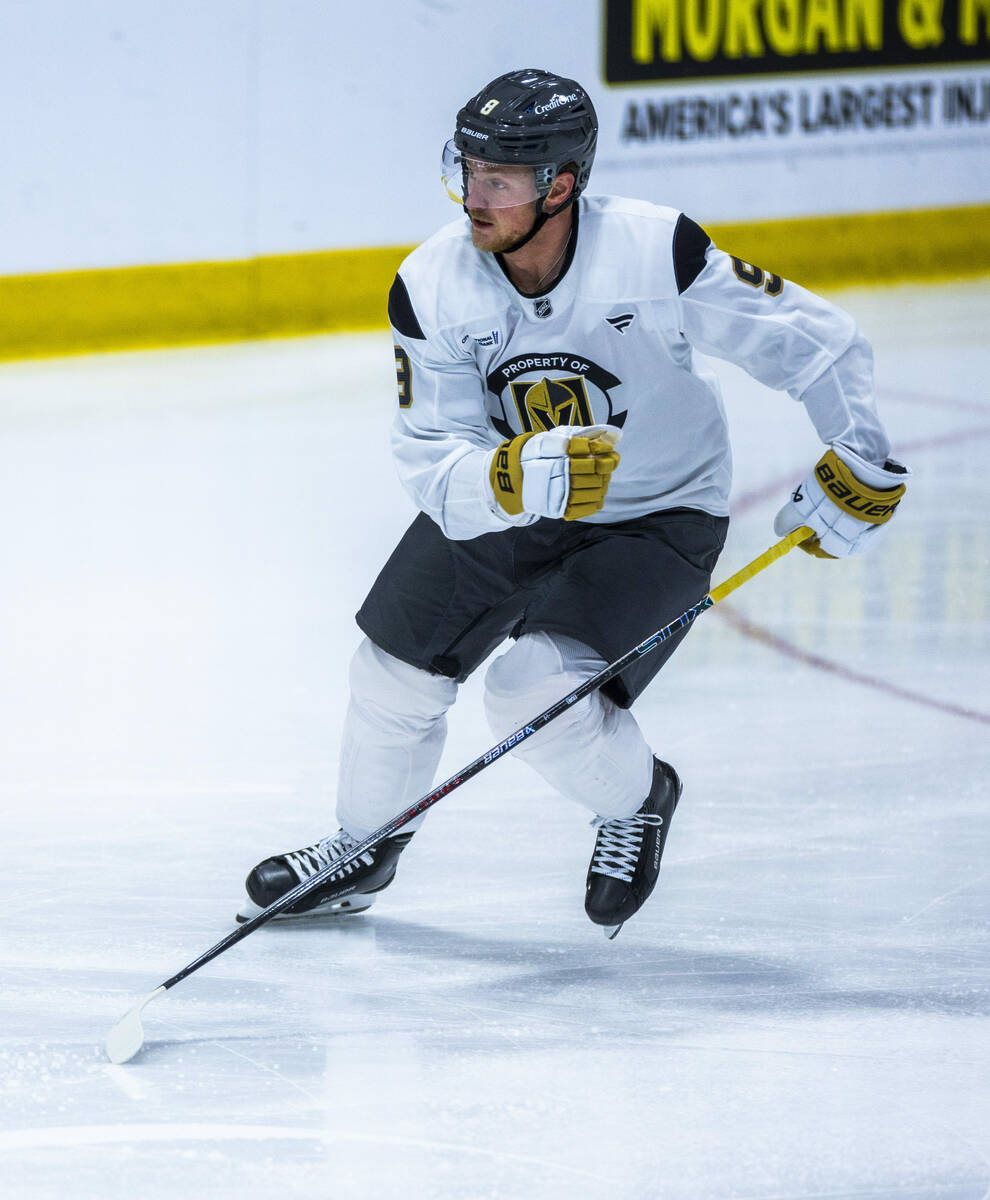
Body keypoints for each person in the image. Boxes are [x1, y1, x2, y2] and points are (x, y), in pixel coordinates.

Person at [237, 68, 908, 937]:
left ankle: (638, 800)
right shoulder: (431, 282)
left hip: (658, 510)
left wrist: (862, 453)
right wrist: (506, 480)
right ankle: (365, 846)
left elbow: (815, 342)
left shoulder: (654, 251)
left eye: (501, 181)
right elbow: (428, 452)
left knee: (530, 691)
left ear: (562, 184)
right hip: (511, 502)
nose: (474, 197)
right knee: (391, 671)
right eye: (466, 170)